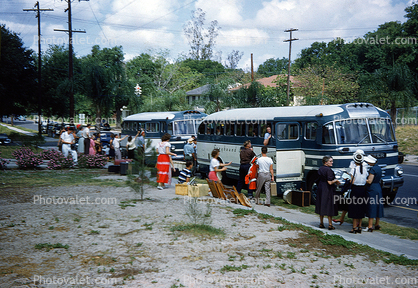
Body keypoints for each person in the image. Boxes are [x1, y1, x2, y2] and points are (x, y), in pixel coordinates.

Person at [333, 150, 366, 225]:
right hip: (350, 184)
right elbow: (350, 171)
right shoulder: (352, 163)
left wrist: (349, 176)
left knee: (356, 204)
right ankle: (342, 218)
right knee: (346, 202)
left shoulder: (363, 165)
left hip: (354, 184)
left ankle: (356, 221)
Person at [315, 155, 340, 230]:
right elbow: (329, 182)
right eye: (330, 161)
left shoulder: (320, 168)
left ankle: (321, 223)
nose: (332, 163)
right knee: (329, 205)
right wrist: (336, 181)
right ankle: (330, 224)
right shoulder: (329, 170)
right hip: (327, 189)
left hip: (321, 187)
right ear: (326, 162)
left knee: (321, 204)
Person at [348, 151, 368, 234]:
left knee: (354, 208)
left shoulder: (353, 170)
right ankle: (360, 226)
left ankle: (354, 227)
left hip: (355, 189)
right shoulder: (365, 169)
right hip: (362, 189)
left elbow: (352, 181)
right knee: (361, 208)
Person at [364, 155, 384, 232]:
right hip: (378, 187)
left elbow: (369, 181)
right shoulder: (379, 168)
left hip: (372, 188)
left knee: (371, 206)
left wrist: (362, 178)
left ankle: (370, 226)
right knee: (378, 205)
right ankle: (377, 224)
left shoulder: (372, 169)